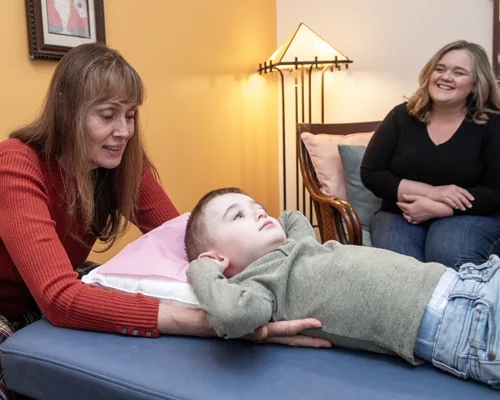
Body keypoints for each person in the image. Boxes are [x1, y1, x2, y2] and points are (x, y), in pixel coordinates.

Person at [0, 44, 328, 399]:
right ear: (68, 115)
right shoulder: (15, 163)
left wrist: (251, 297)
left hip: (40, 298)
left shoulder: (121, 163)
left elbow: (181, 241)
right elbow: (59, 298)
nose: (123, 130)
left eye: (130, 115)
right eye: (108, 115)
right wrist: (206, 324)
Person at [185, 187, 500, 389]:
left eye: (258, 206)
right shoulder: (260, 287)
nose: (258, 213)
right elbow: (229, 315)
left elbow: (292, 215)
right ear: (217, 258)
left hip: (473, 281)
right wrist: (201, 268)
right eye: (238, 215)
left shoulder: (301, 245)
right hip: (463, 325)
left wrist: (265, 223)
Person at [360, 40, 500, 269]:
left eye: (459, 72)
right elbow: (371, 173)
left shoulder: (492, 124)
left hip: (471, 216)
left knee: (448, 252)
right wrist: (433, 192)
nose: (446, 77)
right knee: (400, 269)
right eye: (440, 68)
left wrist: (443, 208)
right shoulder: (401, 116)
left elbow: (497, 191)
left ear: (475, 84)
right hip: (400, 213)